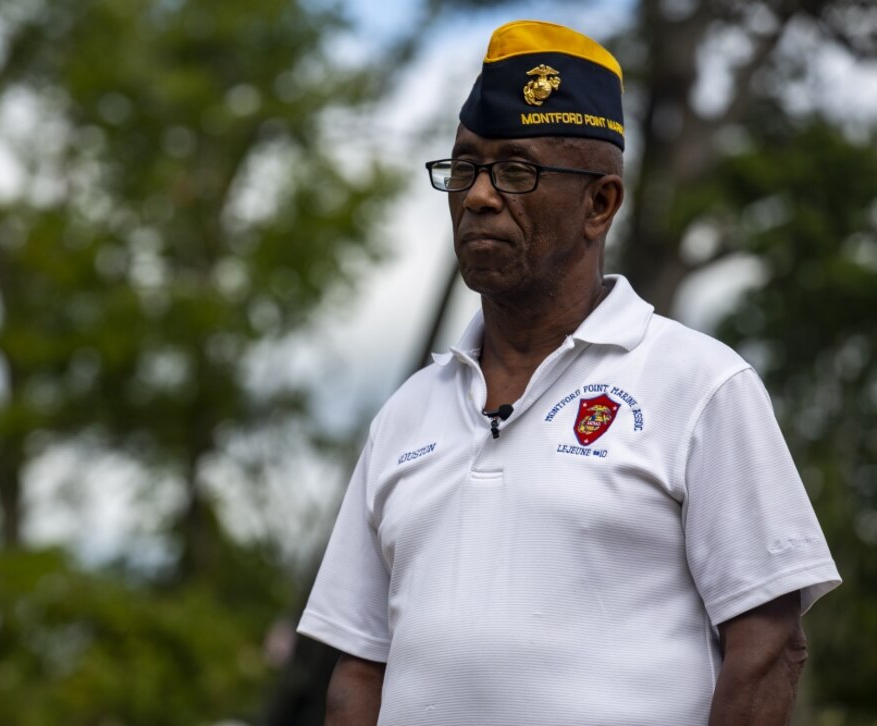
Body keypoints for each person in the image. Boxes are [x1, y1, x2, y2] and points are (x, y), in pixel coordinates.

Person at [296, 19, 841, 726]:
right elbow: (360, 666)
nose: (480, 196)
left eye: (516, 171)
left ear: (600, 204)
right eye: (464, 168)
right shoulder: (406, 414)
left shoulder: (700, 386)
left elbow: (768, 647)